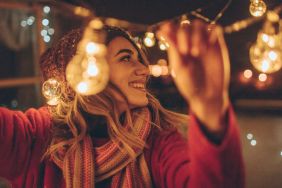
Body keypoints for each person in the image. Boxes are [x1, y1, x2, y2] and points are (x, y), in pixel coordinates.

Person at [0, 20, 244, 188]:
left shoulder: (156, 140)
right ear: (87, 69)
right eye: (126, 58)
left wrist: (210, 105)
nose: (144, 70)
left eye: (139, 59)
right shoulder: (37, 135)